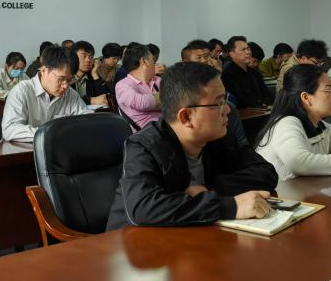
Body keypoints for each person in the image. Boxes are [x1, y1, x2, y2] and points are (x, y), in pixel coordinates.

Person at [105, 62, 278, 230]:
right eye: (219, 103)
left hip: (190, 235)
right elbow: (143, 207)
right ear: (186, 117)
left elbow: (266, 173)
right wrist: (229, 206)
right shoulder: (144, 146)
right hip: (131, 242)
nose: (228, 110)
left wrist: (211, 190)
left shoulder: (220, 137)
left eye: (225, 99)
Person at [1, 45, 91, 144]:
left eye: (70, 80)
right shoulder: (21, 91)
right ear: (44, 71)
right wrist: (51, 133)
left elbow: (87, 122)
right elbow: (10, 129)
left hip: (58, 149)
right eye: (61, 79)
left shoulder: (70, 94)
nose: (65, 85)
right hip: (22, 150)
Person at [115, 43, 163, 130]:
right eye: (153, 60)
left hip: (168, 128)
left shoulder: (157, 80)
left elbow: (180, 98)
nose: (156, 64)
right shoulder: (123, 85)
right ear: (144, 61)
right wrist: (168, 97)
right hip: (147, 135)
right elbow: (142, 103)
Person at [221, 36, 273, 108]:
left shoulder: (255, 72)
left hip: (262, 110)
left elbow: (266, 93)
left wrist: (265, 102)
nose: (248, 52)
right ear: (232, 54)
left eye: (248, 49)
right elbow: (240, 102)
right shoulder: (228, 74)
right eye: (243, 50)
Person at [71, 41, 110, 106]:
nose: (88, 60)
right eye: (84, 56)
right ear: (73, 57)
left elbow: (105, 96)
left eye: (91, 57)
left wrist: (94, 74)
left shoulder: (92, 76)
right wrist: (90, 100)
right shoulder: (67, 77)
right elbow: (66, 102)